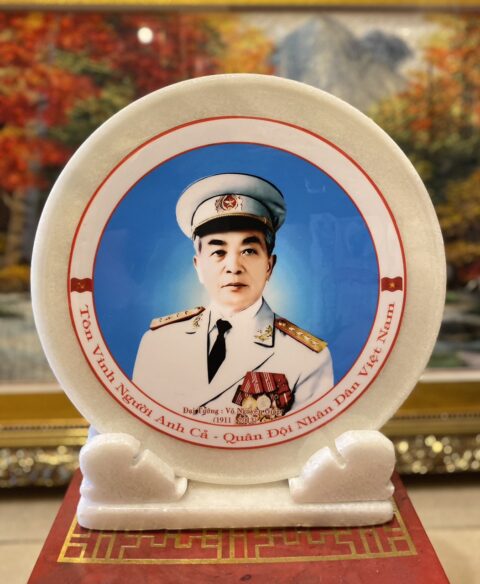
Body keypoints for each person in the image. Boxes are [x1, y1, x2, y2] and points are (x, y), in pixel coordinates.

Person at [132, 173, 333, 424]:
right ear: (198, 266)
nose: (233, 267)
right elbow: (133, 430)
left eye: (248, 251)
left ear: (269, 266)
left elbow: (311, 443)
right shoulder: (158, 343)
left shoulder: (306, 356)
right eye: (218, 251)